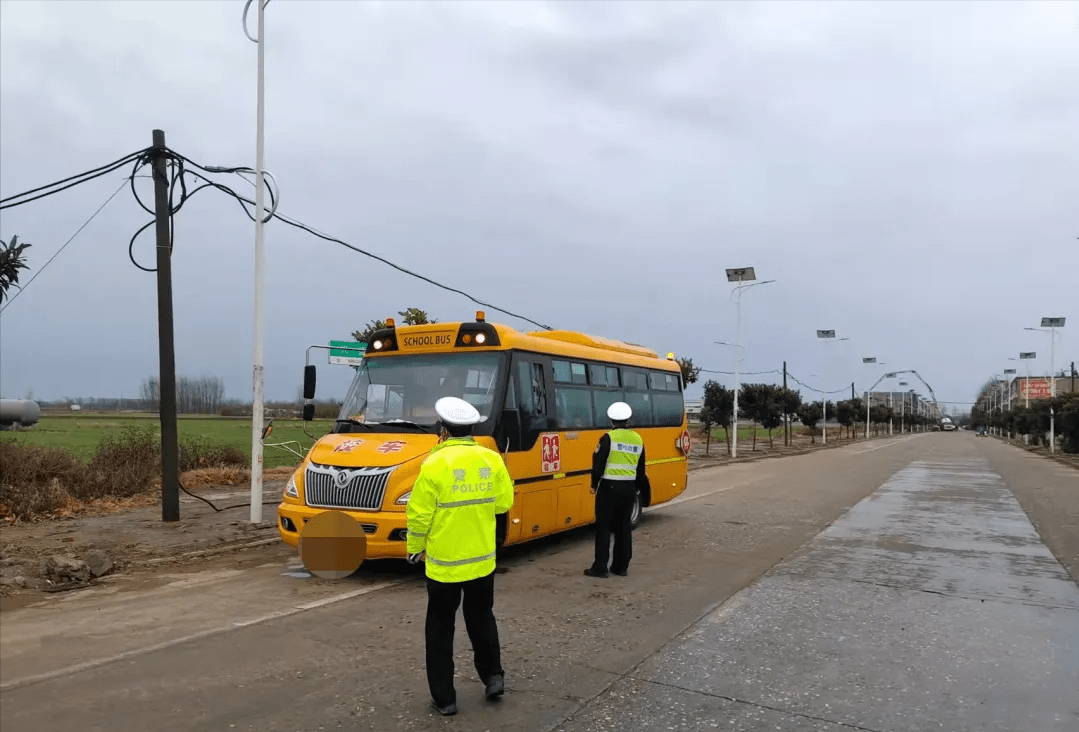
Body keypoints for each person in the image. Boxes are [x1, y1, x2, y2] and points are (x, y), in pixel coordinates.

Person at [406, 396, 515, 716]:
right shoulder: (491, 459)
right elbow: (503, 504)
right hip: (482, 560)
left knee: (440, 628)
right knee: (482, 617)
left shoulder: (434, 464)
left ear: (443, 430)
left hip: (444, 566)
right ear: (471, 429)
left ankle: (445, 698)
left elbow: (419, 515)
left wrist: (413, 548)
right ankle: (493, 677)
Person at [585, 401, 650, 578]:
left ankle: (600, 567)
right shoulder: (638, 439)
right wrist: (635, 487)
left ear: (612, 420)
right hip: (628, 489)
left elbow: (598, 464)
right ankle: (621, 567)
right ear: (628, 420)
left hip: (608, 488)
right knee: (624, 528)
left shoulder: (608, 438)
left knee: (604, 527)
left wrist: (593, 485)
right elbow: (641, 470)